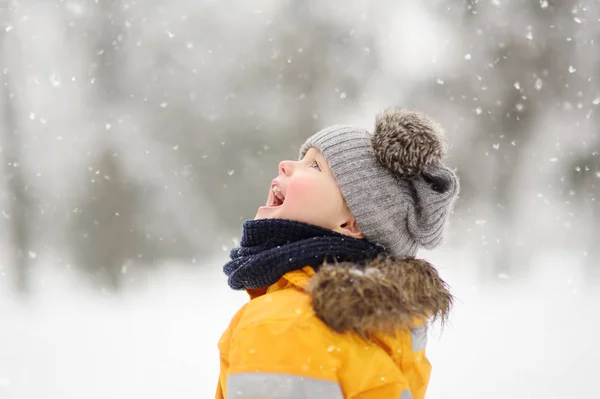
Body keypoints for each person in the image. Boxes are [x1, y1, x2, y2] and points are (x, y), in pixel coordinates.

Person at [216, 108, 460, 399]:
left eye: (315, 166)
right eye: (301, 158)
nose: (285, 165)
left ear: (350, 224)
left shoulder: (284, 324)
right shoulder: (375, 324)